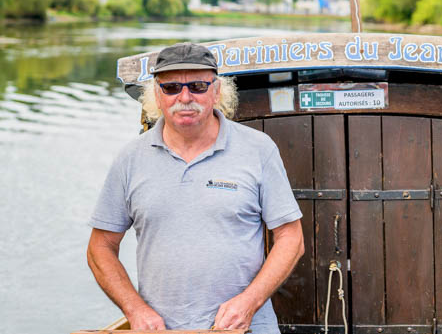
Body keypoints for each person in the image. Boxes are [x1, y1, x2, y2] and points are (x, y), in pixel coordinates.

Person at [87, 42, 304, 331]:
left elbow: (291, 238)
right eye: (171, 87)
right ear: (156, 93)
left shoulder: (259, 149)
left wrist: (249, 303)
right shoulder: (130, 159)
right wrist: (135, 309)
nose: (185, 97)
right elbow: (100, 247)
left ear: (216, 91)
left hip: (246, 329)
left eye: (198, 86)